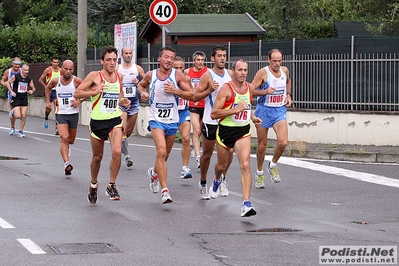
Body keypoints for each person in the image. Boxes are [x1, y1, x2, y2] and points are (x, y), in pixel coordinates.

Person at [74, 46, 131, 204]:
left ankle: (111, 185)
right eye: (109, 60)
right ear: (102, 61)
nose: (112, 63)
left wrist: (123, 100)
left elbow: (119, 96)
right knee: (97, 157)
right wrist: (93, 92)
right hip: (98, 122)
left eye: (114, 60)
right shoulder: (95, 76)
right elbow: (77, 93)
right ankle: (93, 184)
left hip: (115, 120)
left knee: (117, 152)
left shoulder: (119, 76)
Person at [137, 46, 193, 204]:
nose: (169, 60)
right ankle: (165, 191)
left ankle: (154, 173)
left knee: (165, 154)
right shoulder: (151, 74)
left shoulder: (178, 75)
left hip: (172, 119)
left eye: (172, 58)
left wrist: (176, 90)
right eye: (166, 57)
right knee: (161, 151)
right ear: (159, 59)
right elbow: (141, 85)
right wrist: (143, 93)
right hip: (156, 119)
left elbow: (191, 94)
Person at [211, 59, 261, 217]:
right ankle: (217, 179)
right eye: (239, 70)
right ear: (233, 71)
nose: (243, 73)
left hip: (243, 131)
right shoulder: (226, 89)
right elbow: (214, 114)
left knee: (245, 165)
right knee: (221, 166)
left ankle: (246, 204)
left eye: (245, 70)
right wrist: (234, 110)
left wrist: (252, 117)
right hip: (225, 131)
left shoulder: (249, 88)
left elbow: (247, 108)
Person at [194, 45, 233, 200]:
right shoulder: (207, 76)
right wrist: (209, 90)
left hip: (227, 121)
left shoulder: (230, 74)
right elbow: (196, 97)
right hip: (211, 120)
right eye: (219, 56)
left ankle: (222, 179)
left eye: (224, 55)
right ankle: (203, 183)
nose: (222, 58)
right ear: (212, 58)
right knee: (208, 155)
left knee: (229, 152)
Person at [251, 48, 292, 188]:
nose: (277, 63)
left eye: (279, 61)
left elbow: (288, 82)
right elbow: (250, 90)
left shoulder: (284, 70)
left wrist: (288, 95)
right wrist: (265, 91)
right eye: (274, 61)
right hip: (264, 111)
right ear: (268, 60)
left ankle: (273, 164)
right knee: (262, 145)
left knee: (283, 142)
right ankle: (259, 173)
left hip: (279, 110)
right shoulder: (263, 73)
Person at [45, 60, 83, 176]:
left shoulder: (76, 81)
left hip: (73, 114)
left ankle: (66, 147)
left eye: (70, 69)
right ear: (61, 69)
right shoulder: (56, 81)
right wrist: (48, 102)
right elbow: (47, 88)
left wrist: (79, 101)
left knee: (70, 140)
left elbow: (88, 90)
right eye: (66, 69)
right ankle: (67, 163)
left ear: (73, 69)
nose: (68, 71)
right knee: (64, 137)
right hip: (60, 113)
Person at [116, 47, 145, 167]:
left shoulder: (137, 68)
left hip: (134, 103)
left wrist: (138, 83)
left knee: (128, 131)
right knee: (123, 129)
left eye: (130, 53)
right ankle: (127, 156)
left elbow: (146, 81)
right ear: (122, 55)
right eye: (126, 53)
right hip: (122, 103)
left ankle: (120, 143)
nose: (128, 55)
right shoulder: (118, 69)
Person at [185, 51, 208, 169]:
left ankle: (195, 145)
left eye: (202, 60)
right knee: (197, 130)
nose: (200, 62)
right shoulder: (187, 72)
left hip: (205, 105)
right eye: (198, 60)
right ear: (194, 61)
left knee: (203, 131)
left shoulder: (208, 72)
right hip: (193, 104)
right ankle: (199, 158)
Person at [173, 56, 193, 179]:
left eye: (181, 67)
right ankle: (157, 169)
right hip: (170, 113)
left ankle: (185, 168)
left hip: (183, 111)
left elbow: (192, 93)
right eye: (176, 68)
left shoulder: (187, 79)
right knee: (165, 148)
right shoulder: (167, 79)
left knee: (186, 138)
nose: (179, 70)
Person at [5, 64, 36, 138]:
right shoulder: (16, 77)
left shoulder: (29, 79)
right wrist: (11, 91)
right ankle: (12, 114)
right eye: (25, 70)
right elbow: (7, 83)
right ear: (22, 70)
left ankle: (21, 131)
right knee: (17, 116)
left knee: (24, 115)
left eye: (28, 70)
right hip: (16, 97)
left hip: (24, 98)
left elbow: (33, 87)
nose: (26, 72)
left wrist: (31, 91)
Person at [39, 56, 61, 134]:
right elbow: (40, 79)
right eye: (54, 62)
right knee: (49, 108)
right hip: (49, 91)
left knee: (57, 108)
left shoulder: (61, 70)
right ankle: (46, 117)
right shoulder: (48, 70)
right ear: (51, 62)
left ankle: (57, 128)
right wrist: (45, 86)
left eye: (57, 62)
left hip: (57, 91)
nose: (55, 64)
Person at [1, 57, 21, 136]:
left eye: (18, 64)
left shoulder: (22, 71)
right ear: (12, 64)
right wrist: (5, 84)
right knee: (13, 111)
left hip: (20, 94)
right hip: (11, 93)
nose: (17, 66)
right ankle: (12, 128)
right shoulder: (8, 71)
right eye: (15, 64)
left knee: (20, 111)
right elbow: (2, 80)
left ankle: (21, 130)